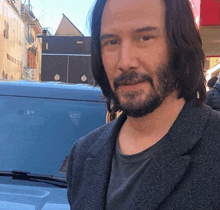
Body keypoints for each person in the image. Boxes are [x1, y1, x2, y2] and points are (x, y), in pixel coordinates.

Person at [66, 0, 220, 209]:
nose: (125, 61)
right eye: (112, 42)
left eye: (144, 38)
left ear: (179, 44)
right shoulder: (82, 155)